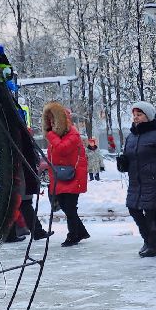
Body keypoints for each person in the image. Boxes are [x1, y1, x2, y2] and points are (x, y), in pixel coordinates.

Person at [120, 100, 156, 257]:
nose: (136, 117)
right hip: (136, 182)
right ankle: (147, 240)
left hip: (153, 180)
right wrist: (123, 162)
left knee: (150, 214)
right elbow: (128, 158)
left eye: (140, 114)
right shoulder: (131, 136)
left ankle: (154, 245)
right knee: (134, 210)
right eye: (134, 115)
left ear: (148, 116)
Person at [43, 101, 90, 247]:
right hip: (61, 176)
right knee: (64, 205)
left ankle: (73, 235)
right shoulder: (56, 135)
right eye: (49, 119)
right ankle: (80, 232)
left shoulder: (73, 134)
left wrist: (50, 136)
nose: (51, 122)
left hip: (73, 176)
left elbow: (63, 149)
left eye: (53, 119)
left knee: (69, 207)